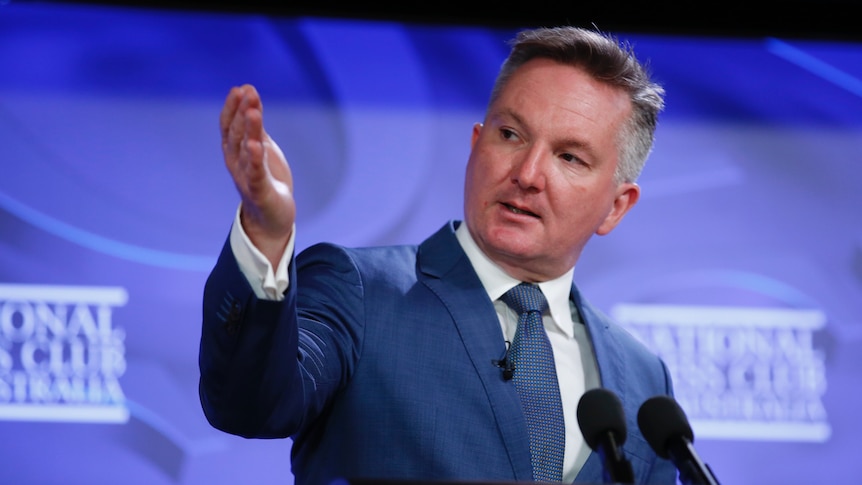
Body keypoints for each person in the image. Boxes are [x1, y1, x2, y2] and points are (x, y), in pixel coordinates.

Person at [199, 25, 678, 485]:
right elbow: (250, 403)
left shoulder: (643, 378)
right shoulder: (360, 291)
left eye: (569, 157)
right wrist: (266, 231)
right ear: (476, 145)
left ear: (616, 206)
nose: (528, 173)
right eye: (510, 134)